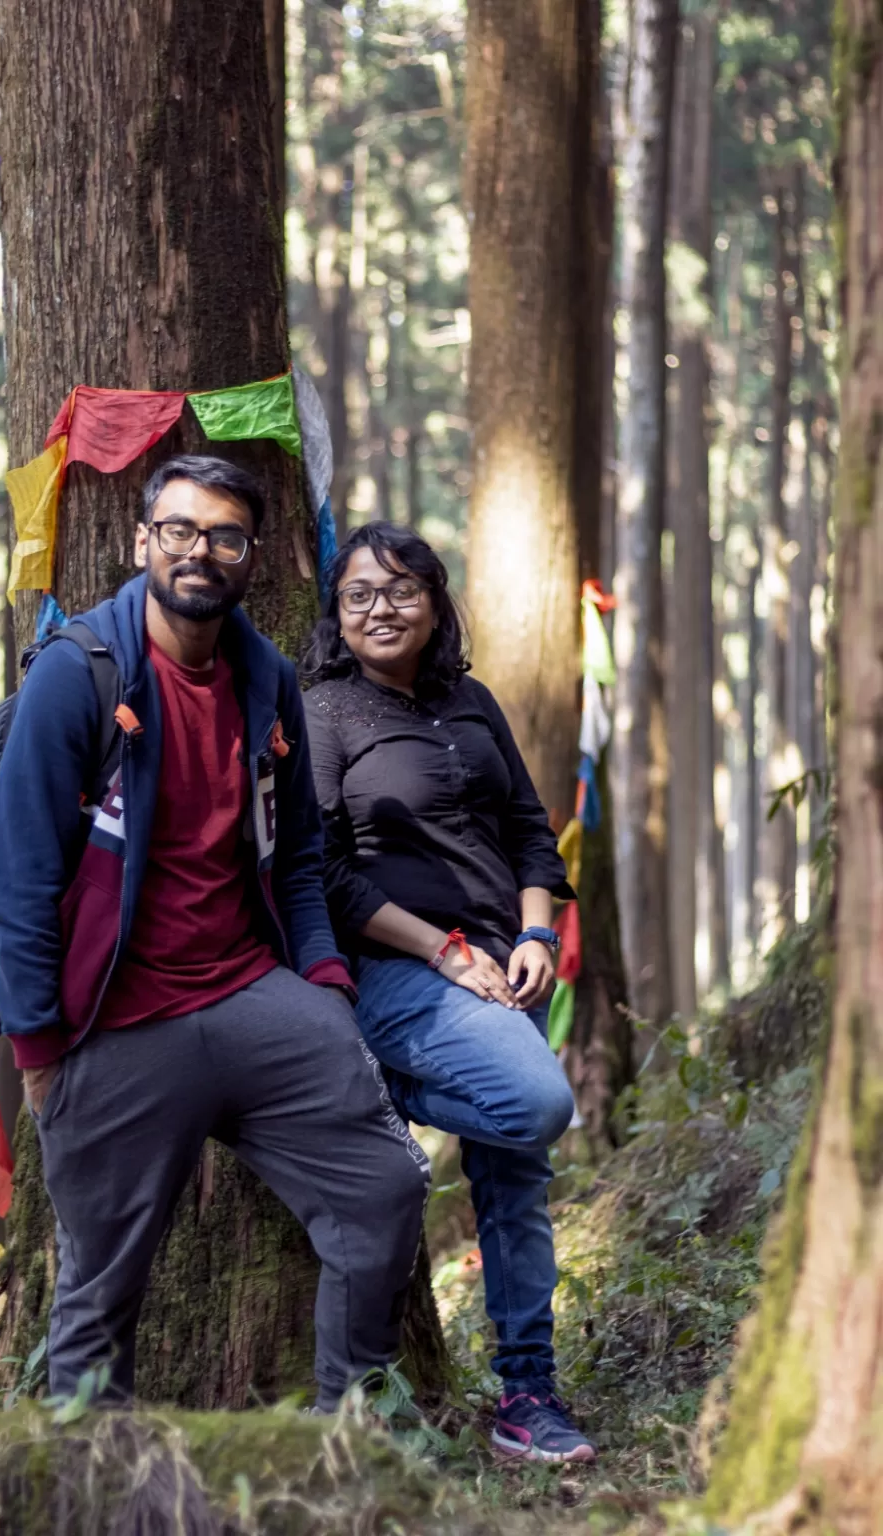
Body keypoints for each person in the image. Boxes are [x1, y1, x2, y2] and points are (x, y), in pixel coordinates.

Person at [0, 457, 429, 1408]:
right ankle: (97, 1486)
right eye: (178, 531)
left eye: (223, 536)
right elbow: (19, 878)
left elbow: (300, 855)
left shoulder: (265, 676)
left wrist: (323, 984)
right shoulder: (80, 676)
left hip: (253, 993)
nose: (199, 552)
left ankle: (343, 1436)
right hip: (113, 1024)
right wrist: (38, 1051)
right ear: (142, 543)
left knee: (385, 1187)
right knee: (100, 1294)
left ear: (249, 557)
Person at [301, 521, 596, 1464]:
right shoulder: (325, 712)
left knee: (516, 1180)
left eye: (400, 591)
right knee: (538, 1104)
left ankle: (527, 1396)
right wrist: (444, 951)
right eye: (359, 595)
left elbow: (527, 829)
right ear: (337, 614)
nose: (380, 609)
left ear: (435, 605)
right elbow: (323, 872)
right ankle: (376, 1087)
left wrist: (539, 929)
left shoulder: (471, 701)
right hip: (402, 974)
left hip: (508, 970)